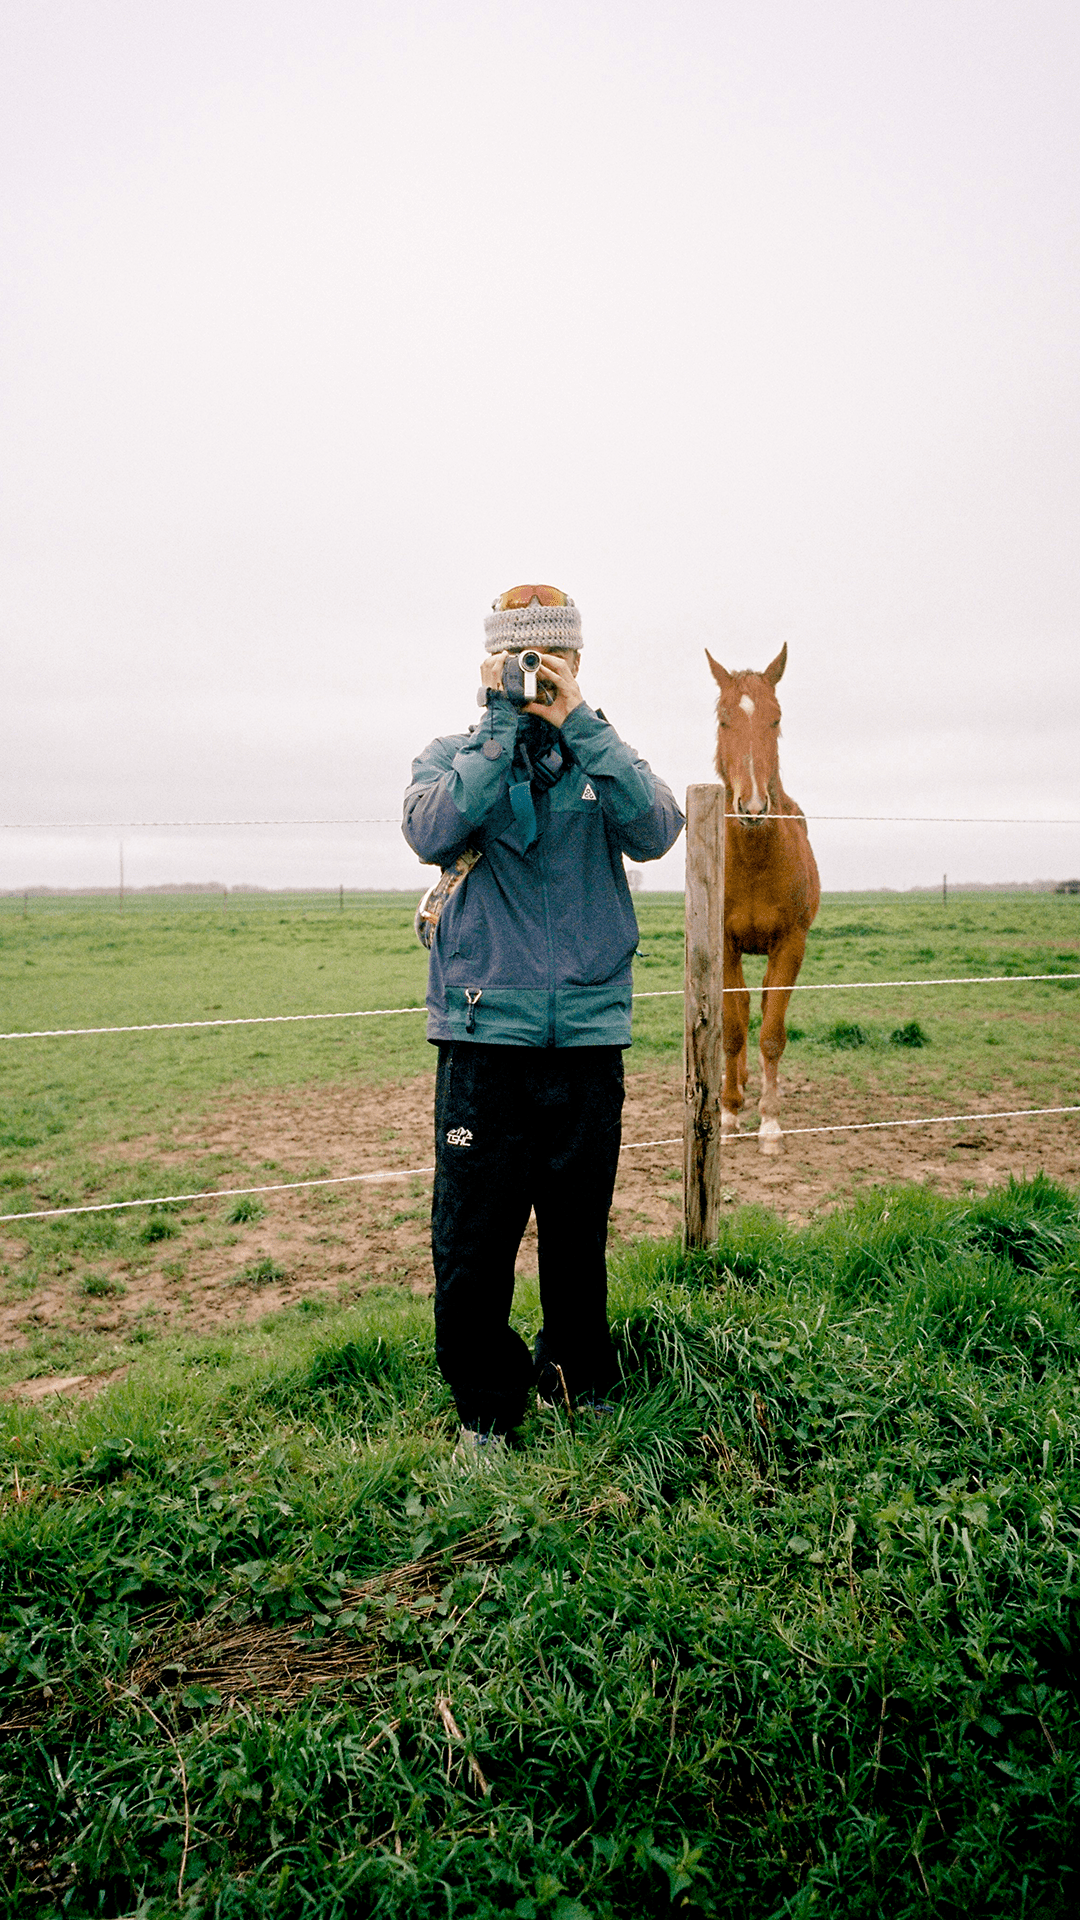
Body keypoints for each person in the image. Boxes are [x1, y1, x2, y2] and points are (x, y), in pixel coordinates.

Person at [402, 585, 684, 1456]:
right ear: (490, 662)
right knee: (474, 1239)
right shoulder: (453, 756)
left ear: (578, 661)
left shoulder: (604, 756)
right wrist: (498, 727)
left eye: (552, 657)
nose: (536, 673)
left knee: (577, 1233)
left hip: (589, 1039)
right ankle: (487, 1413)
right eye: (520, 658)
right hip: (484, 1040)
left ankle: (577, 1382)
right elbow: (429, 830)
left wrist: (580, 723)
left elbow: (658, 829)